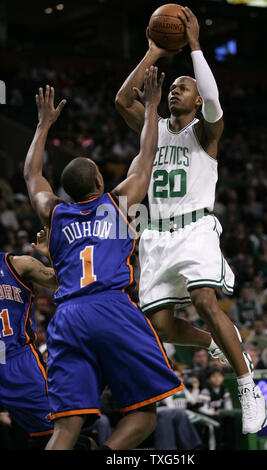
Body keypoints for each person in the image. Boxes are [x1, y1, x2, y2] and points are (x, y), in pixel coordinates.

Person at [115, 6, 266, 434]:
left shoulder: (205, 132)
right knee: (161, 326)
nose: (176, 91)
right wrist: (153, 52)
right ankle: (218, 342)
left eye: (185, 87)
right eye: (174, 87)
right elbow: (122, 100)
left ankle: (247, 385)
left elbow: (216, 101)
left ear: (198, 99)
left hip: (196, 227)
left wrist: (196, 45)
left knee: (203, 300)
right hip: (156, 236)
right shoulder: (154, 130)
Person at [23, 69, 184, 451]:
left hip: (66, 318)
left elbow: (32, 174)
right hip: (111, 307)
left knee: (67, 428)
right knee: (144, 415)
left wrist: (43, 125)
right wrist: (150, 108)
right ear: (99, 183)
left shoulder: (54, 213)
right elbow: (147, 156)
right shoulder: (118, 205)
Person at [0, 250, 56, 444]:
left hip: (17, 358)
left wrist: (51, 254)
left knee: (55, 434)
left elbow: (64, 281)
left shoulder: (16, 264)